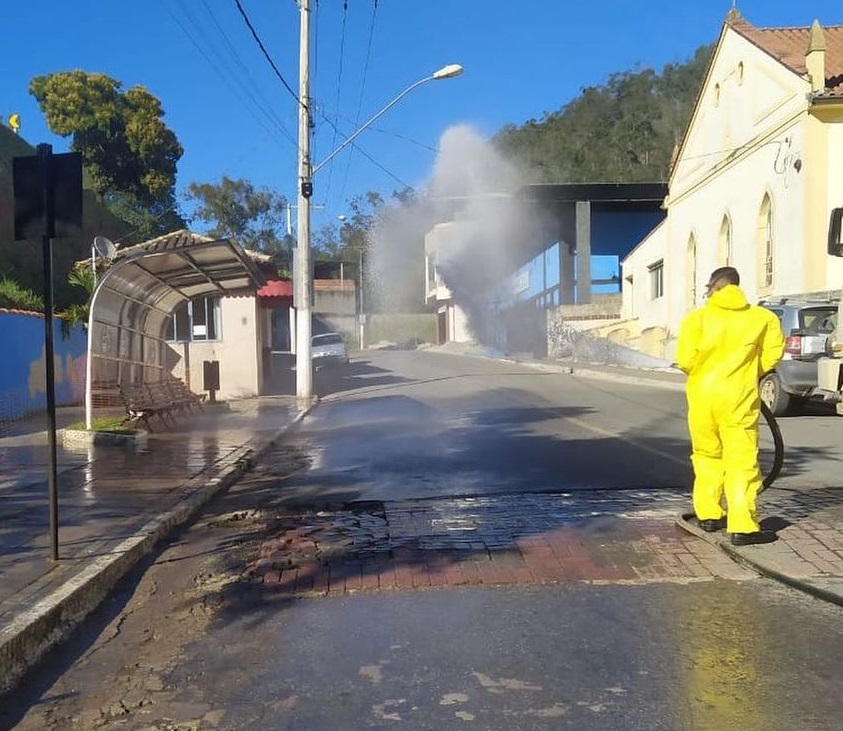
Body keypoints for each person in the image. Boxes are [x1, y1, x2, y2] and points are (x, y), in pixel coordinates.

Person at [674, 266, 785, 546]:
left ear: (715, 286)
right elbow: (774, 353)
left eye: (708, 288)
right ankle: (743, 526)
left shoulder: (696, 320)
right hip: (739, 399)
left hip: (702, 399)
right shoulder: (763, 318)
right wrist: (749, 372)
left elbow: (685, 360)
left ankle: (709, 515)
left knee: (706, 456)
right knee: (741, 461)